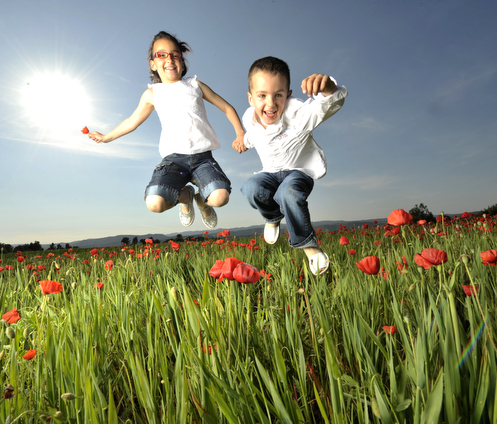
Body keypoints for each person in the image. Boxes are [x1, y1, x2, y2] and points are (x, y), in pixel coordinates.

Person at [88, 31, 245, 229]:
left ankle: (202, 202)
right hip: (173, 162)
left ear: (182, 62)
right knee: (154, 203)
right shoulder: (152, 93)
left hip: (202, 159)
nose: (169, 59)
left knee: (220, 197)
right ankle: (185, 197)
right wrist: (106, 137)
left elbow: (227, 107)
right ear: (153, 64)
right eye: (161, 55)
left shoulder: (195, 85)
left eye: (175, 54)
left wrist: (240, 133)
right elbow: (132, 121)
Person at [239, 56, 347, 275]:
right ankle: (272, 217)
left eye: (278, 95)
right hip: (270, 174)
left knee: (287, 194)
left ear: (288, 95)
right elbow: (255, 135)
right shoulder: (250, 119)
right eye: (262, 95)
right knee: (250, 187)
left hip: (298, 172)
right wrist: (243, 142)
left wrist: (328, 88)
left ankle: (309, 246)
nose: (270, 104)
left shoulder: (298, 115)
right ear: (251, 98)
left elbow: (327, 106)